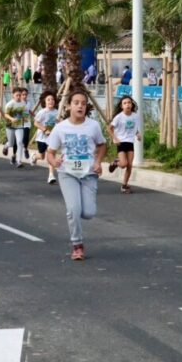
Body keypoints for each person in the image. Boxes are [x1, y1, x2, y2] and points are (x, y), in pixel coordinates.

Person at [46, 90, 106, 261]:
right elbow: (50, 152)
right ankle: (77, 244)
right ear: (69, 106)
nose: (80, 106)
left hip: (88, 174)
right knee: (73, 209)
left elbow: (102, 146)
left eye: (83, 103)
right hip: (67, 173)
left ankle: (78, 214)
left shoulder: (93, 126)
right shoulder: (60, 128)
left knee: (88, 213)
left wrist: (98, 162)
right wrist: (54, 161)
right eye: (76, 102)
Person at [107, 96, 142, 194]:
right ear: (122, 106)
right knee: (123, 164)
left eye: (129, 103)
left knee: (130, 165)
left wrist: (138, 134)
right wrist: (115, 138)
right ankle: (115, 163)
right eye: (125, 103)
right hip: (121, 142)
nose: (127, 104)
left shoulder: (135, 116)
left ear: (132, 104)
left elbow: (135, 129)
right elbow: (109, 128)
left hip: (130, 142)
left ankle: (124, 185)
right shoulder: (119, 117)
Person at [32, 91, 59, 184]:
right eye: (48, 100)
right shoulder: (42, 112)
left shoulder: (57, 112)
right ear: (45, 102)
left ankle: (51, 175)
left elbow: (60, 122)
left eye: (52, 99)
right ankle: (35, 157)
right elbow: (35, 123)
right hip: (41, 138)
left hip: (51, 138)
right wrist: (44, 130)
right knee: (42, 156)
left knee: (51, 155)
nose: (51, 101)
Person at [2, 87, 27, 167]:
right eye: (17, 95)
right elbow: (5, 114)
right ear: (13, 95)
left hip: (19, 126)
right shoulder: (10, 104)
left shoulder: (23, 103)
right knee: (11, 143)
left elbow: (24, 113)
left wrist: (25, 118)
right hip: (10, 126)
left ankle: (19, 161)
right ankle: (6, 146)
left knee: (20, 142)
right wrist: (11, 119)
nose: (19, 97)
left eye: (20, 95)